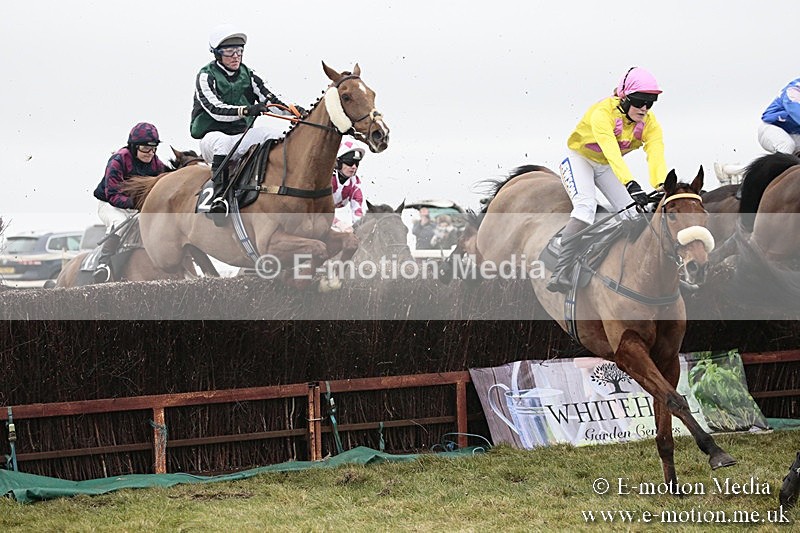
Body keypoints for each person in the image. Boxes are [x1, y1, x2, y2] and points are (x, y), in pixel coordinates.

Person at [547, 66, 667, 293]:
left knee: (634, 214)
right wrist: (631, 184)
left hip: (604, 166)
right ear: (624, 98)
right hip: (579, 160)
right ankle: (560, 270)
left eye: (650, 103)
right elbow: (612, 152)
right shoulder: (602, 112)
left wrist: (661, 185)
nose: (644, 108)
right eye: (639, 101)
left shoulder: (650, 124)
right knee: (585, 208)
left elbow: (656, 153)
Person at [191, 23, 303, 215]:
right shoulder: (205, 76)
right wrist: (247, 110)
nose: (236, 56)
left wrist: (294, 112)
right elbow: (215, 109)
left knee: (275, 135)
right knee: (224, 143)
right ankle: (219, 198)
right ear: (217, 53)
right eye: (229, 52)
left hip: (240, 137)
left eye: (239, 51)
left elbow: (270, 100)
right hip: (212, 138)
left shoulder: (249, 75)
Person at [92, 122, 167, 282]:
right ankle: (103, 264)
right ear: (134, 147)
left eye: (153, 149)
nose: (150, 153)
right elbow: (113, 195)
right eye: (145, 148)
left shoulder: (155, 162)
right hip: (109, 204)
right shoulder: (118, 160)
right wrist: (139, 204)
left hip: (135, 205)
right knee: (120, 222)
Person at [715, 77, 800, 184]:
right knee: (787, 145)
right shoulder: (794, 89)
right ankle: (758, 179)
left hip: (794, 134)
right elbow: (795, 110)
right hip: (772, 128)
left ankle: (733, 170)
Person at [331, 140, 367, 231]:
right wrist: (338, 223)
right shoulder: (327, 178)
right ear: (338, 162)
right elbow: (318, 210)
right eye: (350, 162)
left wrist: (359, 230)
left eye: (357, 163)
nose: (354, 167)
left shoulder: (355, 183)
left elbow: (357, 211)